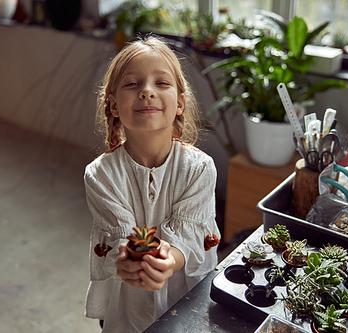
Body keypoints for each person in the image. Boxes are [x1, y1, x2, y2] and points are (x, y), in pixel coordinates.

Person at [83, 35, 220, 333]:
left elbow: (189, 239)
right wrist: (126, 260)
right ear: (114, 105)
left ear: (180, 103)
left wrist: (167, 262)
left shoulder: (199, 169)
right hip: (127, 305)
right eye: (132, 84)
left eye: (161, 83)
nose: (147, 92)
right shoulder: (99, 175)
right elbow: (121, 240)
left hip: (185, 297)